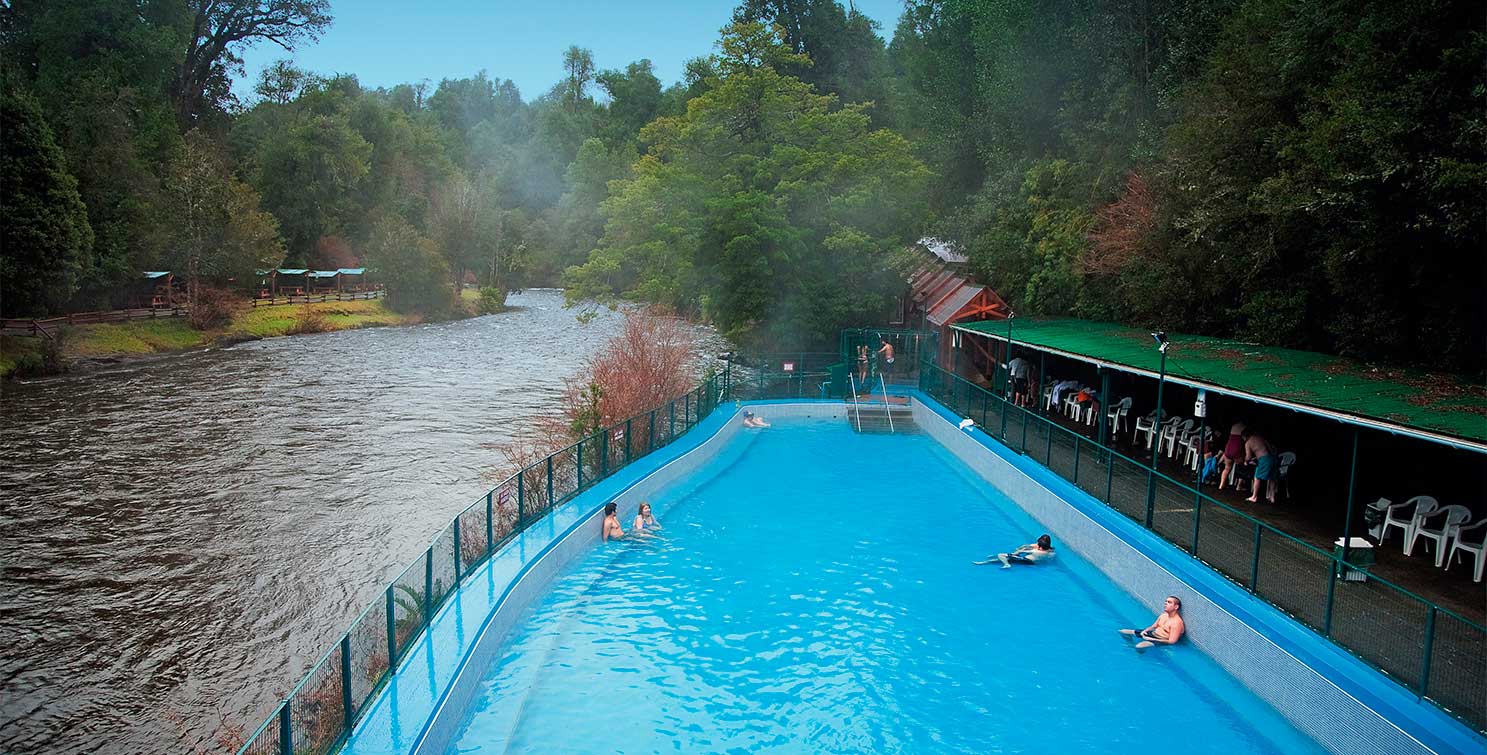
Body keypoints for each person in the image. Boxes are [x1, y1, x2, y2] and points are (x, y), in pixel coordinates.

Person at [1120, 595, 1185, 652]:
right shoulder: (1164, 615)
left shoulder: (1176, 623)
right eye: (1166, 602)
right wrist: (1145, 631)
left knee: (1139, 646)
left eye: (1169, 602)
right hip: (1153, 634)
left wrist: (1151, 639)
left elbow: (1172, 641)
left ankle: (1141, 655)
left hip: (1160, 639)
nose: (1166, 603)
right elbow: (1154, 626)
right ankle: (1131, 643)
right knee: (1123, 631)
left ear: (1176, 607)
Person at [975, 534, 1056, 568]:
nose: (1037, 545)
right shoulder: (1051, 552)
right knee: (1005, 558)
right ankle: (985, 562)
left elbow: (1022, 550)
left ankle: (1007, 565)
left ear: (1041, 546)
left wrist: (1015, 552)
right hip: (1032, 562)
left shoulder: (1036, 551)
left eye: (1038, 545)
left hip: (1025, 560)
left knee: (1001, 555)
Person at [1243, 429, 1278, 503]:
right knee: (1272, 478)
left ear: (1244, 436)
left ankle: (1254, 496)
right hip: (1273, 458)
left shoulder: (1248, 443)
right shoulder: (1260, 438)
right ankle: (1272, 497)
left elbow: (1248, 457)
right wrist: (1257, 458)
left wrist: (1246, 461)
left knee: (1257, 477)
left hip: (1264, 459)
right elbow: (1268, 450)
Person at [1219, 421, 1247, 489]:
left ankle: (1221, 485)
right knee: (1242, 467)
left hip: (1228, 448)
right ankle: (1239, 486)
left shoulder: (1233, 426)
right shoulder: (1245, 427)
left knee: (1227, 468)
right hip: (1237, 449)